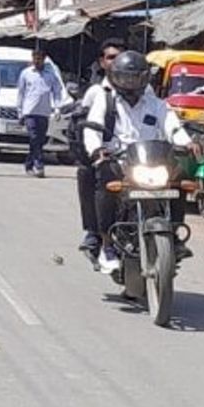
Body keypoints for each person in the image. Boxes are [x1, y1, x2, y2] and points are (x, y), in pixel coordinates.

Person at [84, 50, 198, 273]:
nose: (130, 82)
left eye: (135, 77)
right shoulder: (105, 100)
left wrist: (187, 143)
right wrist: (97, 150)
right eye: (125, 77)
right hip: (118, 160)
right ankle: (107, 244)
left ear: (144, 77)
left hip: (151, 160)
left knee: (179, 181)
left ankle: (174, 235)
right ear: (115, 77)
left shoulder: (157, 104)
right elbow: (92, 128)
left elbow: (172, 126)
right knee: (106, 184)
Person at [75, 39, 125, 257]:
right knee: (89, 175)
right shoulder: (97, 92)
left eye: (120, 57)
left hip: (135, 157)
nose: (116, 62)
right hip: (105, 155)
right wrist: (95, 151)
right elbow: (85, 127)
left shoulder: (144, 91)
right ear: (102, 62)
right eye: (111, 57)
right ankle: (96, 233)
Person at [16, 49, 63, 178]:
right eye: (35, 58)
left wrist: (57, 108)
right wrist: (20, 112)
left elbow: (57, 92)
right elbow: (21, 93)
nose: (37, 61)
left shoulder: (50, 75)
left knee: (40, 141)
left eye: (39, 59)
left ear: (43, 59)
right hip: (29, 112)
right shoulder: (26, 73)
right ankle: (39, 165)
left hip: (44, 112)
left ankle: (29, 163)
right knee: (34, 137)